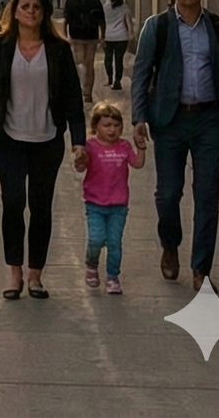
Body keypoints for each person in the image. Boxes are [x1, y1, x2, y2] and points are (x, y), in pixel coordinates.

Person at [129, 0, 219, 290]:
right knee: (168, 196)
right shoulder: (159, 27)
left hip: (209, 119)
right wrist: (139, 117)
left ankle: (201, 268)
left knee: (207, 195)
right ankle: (170, 245)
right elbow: (141, 74)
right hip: (169, 121)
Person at [0, 0, 86, 299]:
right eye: (25, 6)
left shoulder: (59, 49)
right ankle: (14, 273)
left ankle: (35, 275)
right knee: (12, 204)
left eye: (37, 6)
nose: (31, 11)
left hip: (47, 140)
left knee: (40, 207)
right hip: (8, 140)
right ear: (15, 11)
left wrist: (79, 140)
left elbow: (73, 97)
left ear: (44, 13)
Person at [78, 100, 144, 294]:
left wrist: (141, 147)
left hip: (118, 205)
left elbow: (137, 164)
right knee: (96, 239)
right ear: (95, 127)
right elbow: (80, 167)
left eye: (116, 125)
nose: (112, 130)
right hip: (95, 204)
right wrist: (80, 157)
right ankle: (91, 265)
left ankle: (113, 276)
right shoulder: (91, 146)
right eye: (106, 125)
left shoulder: (124, 146)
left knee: (115, 242)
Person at [61, 0, 105, 104]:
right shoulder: (95, 1)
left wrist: (65, 35)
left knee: (76, 63)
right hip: (91, 36)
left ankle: (75, 90)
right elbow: (101, 21)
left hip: (76, 36)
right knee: (89, 65)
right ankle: (87, 93)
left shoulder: (71, 0)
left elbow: (66, 20)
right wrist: (102, 36)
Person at [101, 0, 131, 90]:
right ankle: (117, 81)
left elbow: (101, 23)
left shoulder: (105, 8)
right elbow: (128, 23)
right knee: (119, 60)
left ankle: (109, 79)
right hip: (121, 37)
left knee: (108, 58)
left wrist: (101, 36)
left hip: (107, 37)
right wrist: (131, 34)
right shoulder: (124, 7)